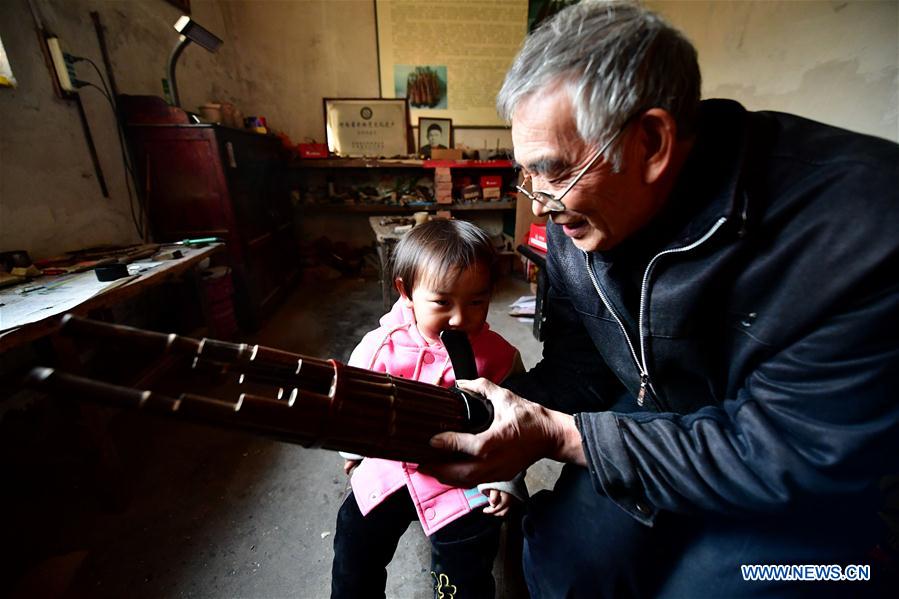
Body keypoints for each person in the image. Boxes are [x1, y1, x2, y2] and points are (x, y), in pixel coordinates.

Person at [420, 1, 899, 597]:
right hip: (666, 411)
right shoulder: (578, 225)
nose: (539, 203)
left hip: (819, 484)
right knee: (561, 563)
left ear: (651, 141)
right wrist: (479, 418)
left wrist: (561, 436)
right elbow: (581, 368)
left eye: (554, 172)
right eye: (528, 176)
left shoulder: (863, 228)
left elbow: (789, 455)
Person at [330, 219, 527, 598]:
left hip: (467, 476)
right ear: (406, 292)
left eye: (476, 302)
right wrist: (356, 453)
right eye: (442, 302)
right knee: (354, 543)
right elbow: (353, 405)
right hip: (391, 467)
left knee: (466, 565)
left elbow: (516, 423)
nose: (460, 318)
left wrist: (505, 478)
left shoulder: (501, 356)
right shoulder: (380, 347)